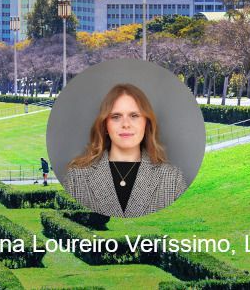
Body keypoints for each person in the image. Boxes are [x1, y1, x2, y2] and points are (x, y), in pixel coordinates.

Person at [65, 83, 186, 218]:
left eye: (134, 115)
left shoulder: (173, 179)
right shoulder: (76, 178)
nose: (126, 124)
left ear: (146, 123)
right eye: (116, 117)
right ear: (105, 125)